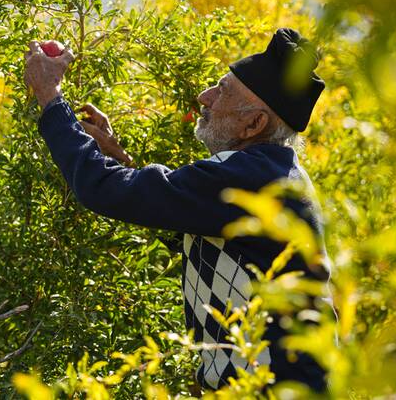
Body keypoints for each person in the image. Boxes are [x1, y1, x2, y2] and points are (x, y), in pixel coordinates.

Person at [23, 28, 334, 392]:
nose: (205, 96)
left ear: (255, 124)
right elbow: (183, 221)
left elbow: (104, 190)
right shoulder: (267, 171)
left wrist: (50, 98)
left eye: (223, 90)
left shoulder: (251, 179)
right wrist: (119, 158)